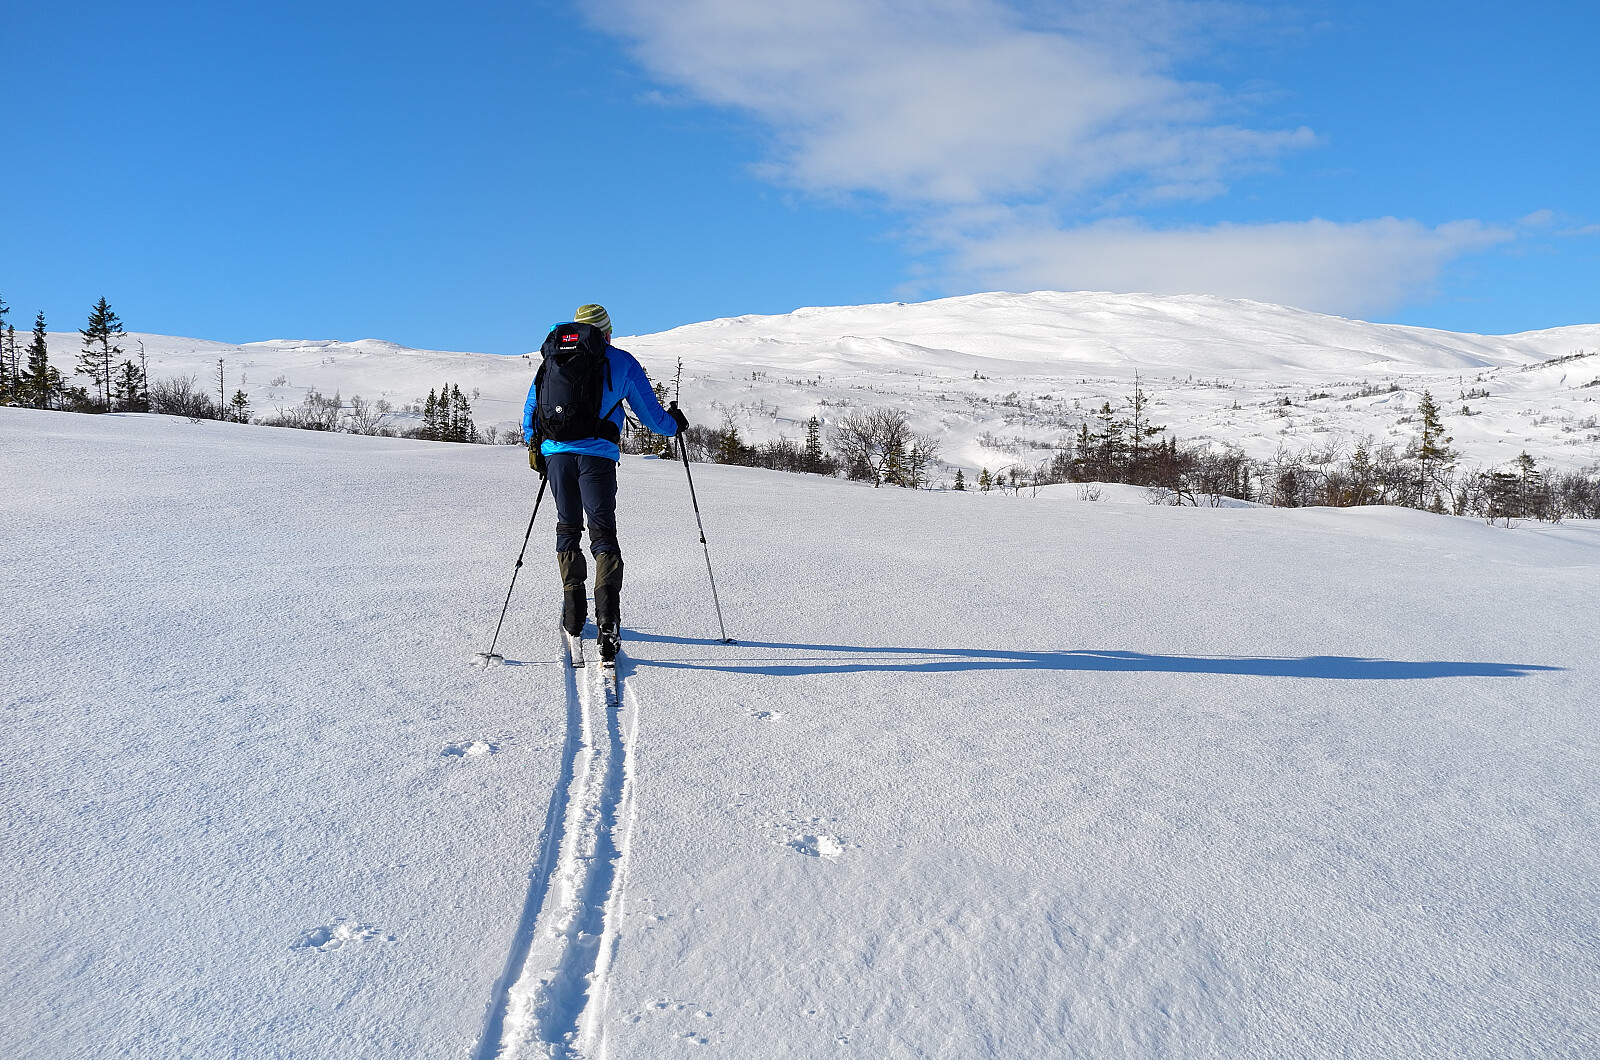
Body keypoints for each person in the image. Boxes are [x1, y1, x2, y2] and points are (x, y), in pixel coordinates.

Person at [523, 304, 688, 662]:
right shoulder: (621, 361)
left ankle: (573, 615)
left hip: (557, 457)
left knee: (567, 528)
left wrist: (537, 446)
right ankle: (608, 620)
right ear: (606, 332)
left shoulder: (552, 358)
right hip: (597, 457)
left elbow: (531, 409)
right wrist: (675, 425)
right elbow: (651, 416)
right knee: (603, 534)